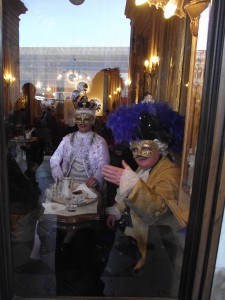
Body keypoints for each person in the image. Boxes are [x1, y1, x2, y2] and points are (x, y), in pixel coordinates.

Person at [101, 100, 185, 297]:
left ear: (160, 147)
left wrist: (131, 185)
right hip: (129, 233)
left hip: (151, 245)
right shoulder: (146, 167)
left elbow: (157, 210)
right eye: (134, 148)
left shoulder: (169, 173)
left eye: (145, 148)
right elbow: (132, 188)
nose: (138, 154)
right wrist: (116, 209)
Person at [50, 94, 110, 190]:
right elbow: (54, 159)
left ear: (92, 120)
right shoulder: (67, 139)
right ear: (75, 120)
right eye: (79, 119)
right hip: (68, 186)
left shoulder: (100, 141)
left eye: (86, 119)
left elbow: (103, 163)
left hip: (89, 186)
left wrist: (96, 178)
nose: (82, 122)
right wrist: (60, 177)